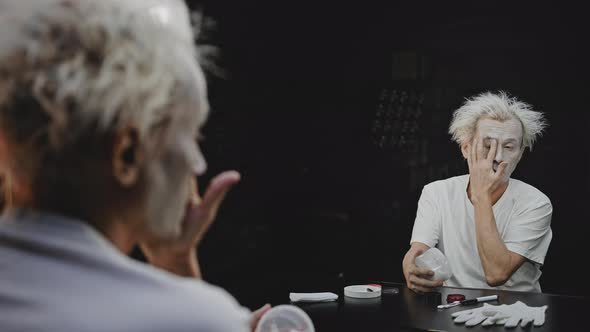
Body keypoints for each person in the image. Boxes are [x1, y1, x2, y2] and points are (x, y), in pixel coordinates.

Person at [0, 0, 269, 330]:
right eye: (191, 135)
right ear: (126, 154)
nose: (198, 164)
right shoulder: (198, 320)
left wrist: (172, 259)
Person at [402, 92, 552, 293]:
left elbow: (496, 274)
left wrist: (481, 194)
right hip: (453, 309)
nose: (498, 157)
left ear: (521, 154)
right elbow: (419, 249)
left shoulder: (535, 203)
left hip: (517, 314)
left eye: (509, 147)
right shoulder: (436, 192)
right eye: (487, 146)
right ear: (466, 149)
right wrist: (410, 267)